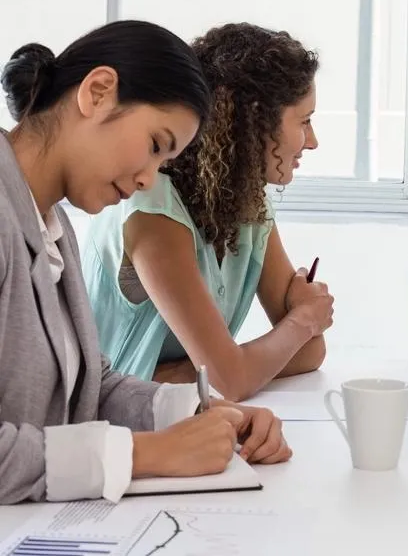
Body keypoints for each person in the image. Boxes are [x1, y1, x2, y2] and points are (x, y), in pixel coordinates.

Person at [0, 20, 290, 505]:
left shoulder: (50, 223)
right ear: (97, 92)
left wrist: (200, 413)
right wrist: (142, 453)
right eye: (156, 145)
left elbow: (88, 384)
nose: (148, 180)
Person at [83, 23, 334, 401]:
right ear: (255, 121)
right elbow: (229, 381)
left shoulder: (251, 206)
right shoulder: (154, 212)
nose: (312, 142)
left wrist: (194, 373)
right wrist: (302, 319)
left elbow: (309, 353)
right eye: (304, 121)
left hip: (175, 415)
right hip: (114, 426)